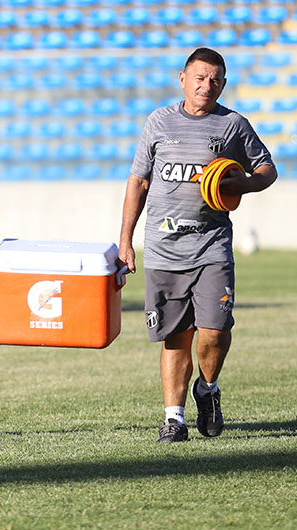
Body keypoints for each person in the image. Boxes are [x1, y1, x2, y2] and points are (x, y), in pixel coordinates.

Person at [118, 48, 277, 443]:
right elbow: (139, 181)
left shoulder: (233, 125)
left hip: (212, 246)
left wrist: (245, 183)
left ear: (223, 84)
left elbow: (267, 169)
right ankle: (174, 419)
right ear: (183, 79)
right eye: (200, 78)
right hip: (163, 249)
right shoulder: (158, 121)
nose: (207, 86)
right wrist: (126, 241)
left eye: (215, 80)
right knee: (176, 337)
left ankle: (207, 388)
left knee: (214, 331)